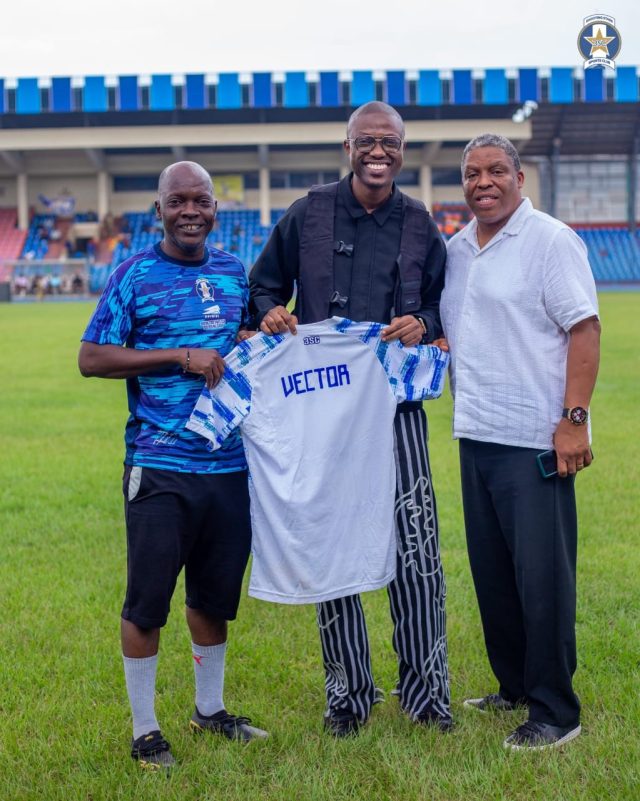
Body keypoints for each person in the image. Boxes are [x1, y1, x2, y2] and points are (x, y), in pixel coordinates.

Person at [249, 101, 451, 737]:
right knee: (331, 547)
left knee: (416, 548)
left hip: (396, 414)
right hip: (322, 415)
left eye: (389, 142)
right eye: (367, 141)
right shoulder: (307, 213)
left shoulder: (420, 224)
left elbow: (443, 308)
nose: (378, 152)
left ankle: (426, 696)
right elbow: (262, 287)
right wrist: (271, 312)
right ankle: (348, 696)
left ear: (402, 150)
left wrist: (424, 323)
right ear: (347, 146)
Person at [78, 161, 267, 771]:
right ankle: (145, 730)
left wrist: (260, 334)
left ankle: (210, 710)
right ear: (158, 210)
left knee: (213, 599)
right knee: (148, 602)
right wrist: (179, 356)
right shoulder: (134, 273)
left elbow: (246, 344)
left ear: (215, 208)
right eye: (178, 201)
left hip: (228, 465)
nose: (191, 211)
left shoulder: (233, 271)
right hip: (159, 465)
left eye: (201, 201)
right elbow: (91, 358)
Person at [440, 134, 600, 750]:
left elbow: (584, 329)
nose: (484, 183)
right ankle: (513, 685)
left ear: (519, 177)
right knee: (495, 574)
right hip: (477, 431)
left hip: (535, 437)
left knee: (542, 578)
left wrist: (574, 420)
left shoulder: (550, 241)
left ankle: (556, 710)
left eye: (496, 171)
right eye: (473, 173)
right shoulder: (458, 249)